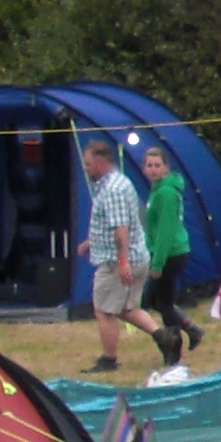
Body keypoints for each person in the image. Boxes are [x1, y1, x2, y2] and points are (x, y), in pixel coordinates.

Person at [79, 137, 159, 372]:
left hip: (118, 261)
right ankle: (165, 337)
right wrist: (89, 242)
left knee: (104, 311)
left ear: (101, 163)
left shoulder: (112, 190)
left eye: (88, 164)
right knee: (127, 309)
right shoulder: (118, 183)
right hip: (137, 256)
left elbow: (121, 229)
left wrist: (122, 262)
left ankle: (109, 360)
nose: (86, 168)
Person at [136, 139, 196, 368]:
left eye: (157, 165)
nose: (153, 170)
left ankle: (174, 352)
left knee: (163, 302)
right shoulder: (157, 190)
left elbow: (165, 231)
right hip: (165, 252)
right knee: (156, 300)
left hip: (171, 253)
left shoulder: (166, 194)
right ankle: (191, 329)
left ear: (166, 167)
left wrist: (157, 264)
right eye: (149, 165)